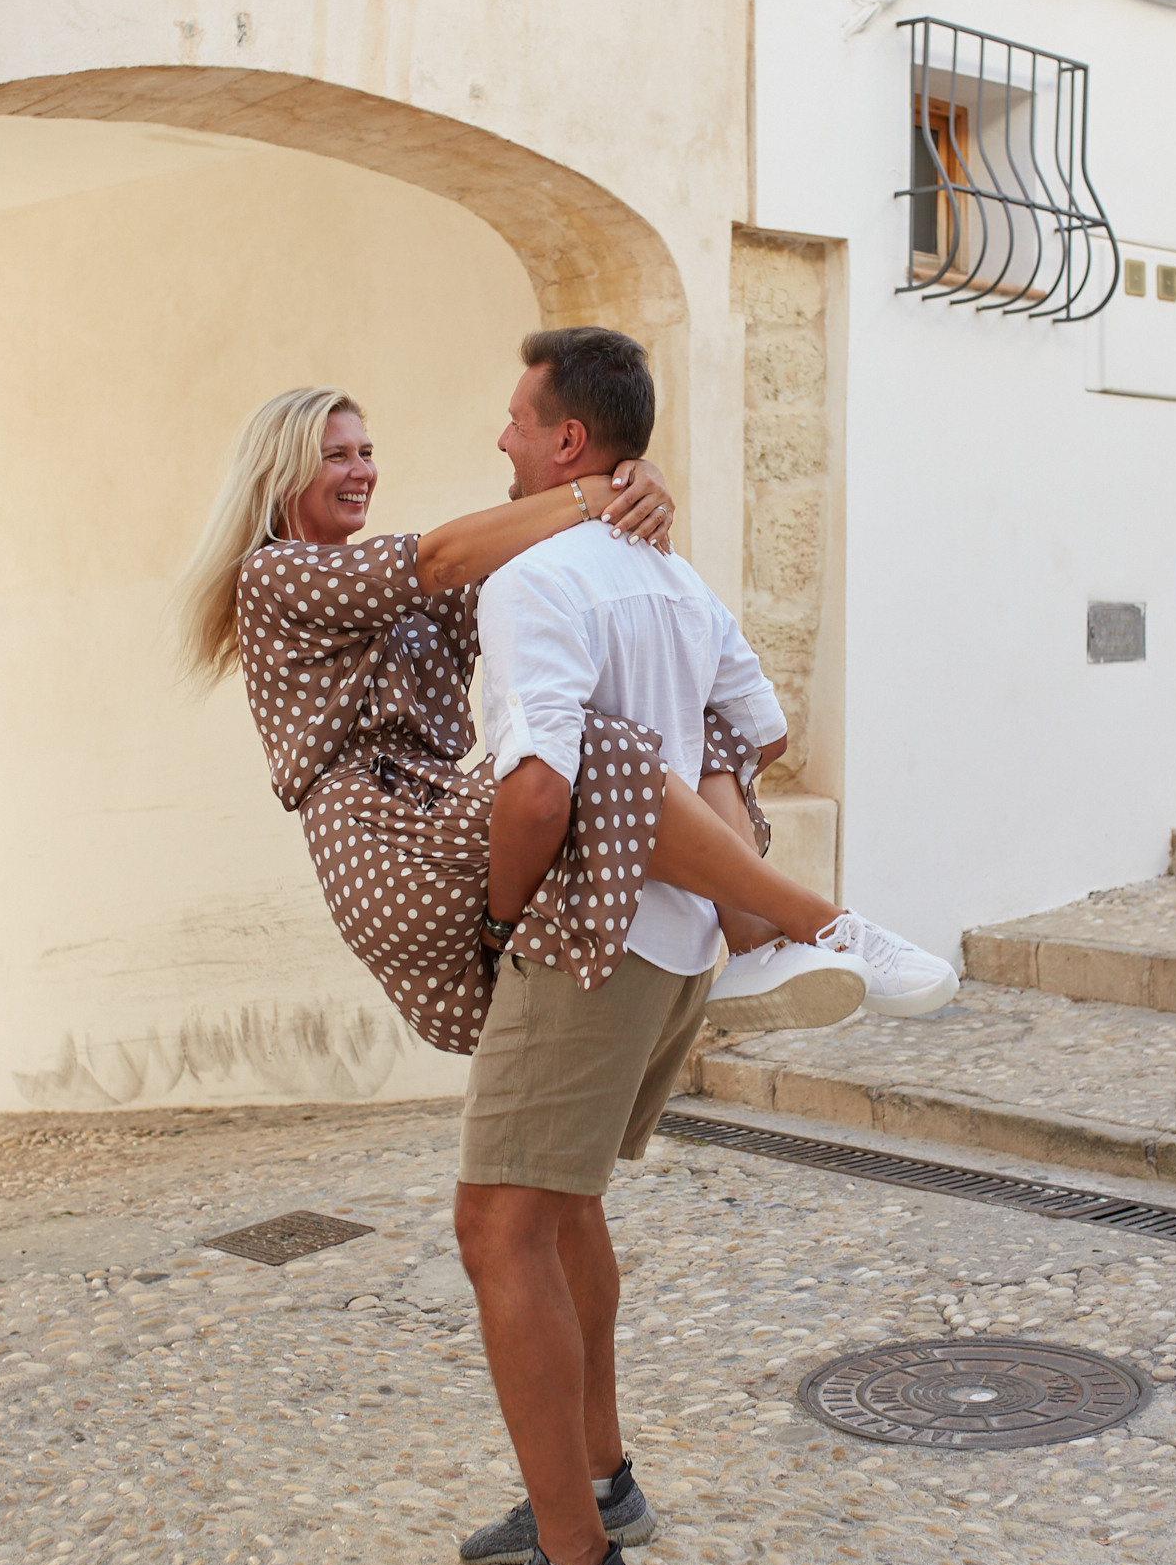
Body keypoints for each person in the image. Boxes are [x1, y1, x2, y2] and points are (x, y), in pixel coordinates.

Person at [448, 329, 952, 1565]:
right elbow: (760, 727)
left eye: (516, 417)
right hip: (676, 946)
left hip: (588, 941)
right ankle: (597, 1481)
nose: (501, 436)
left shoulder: (533, 580)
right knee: (565, 1209)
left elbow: (537, 786)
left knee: (498, 1223)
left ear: (569, 440)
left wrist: (499, 920)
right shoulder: (672, 574)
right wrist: (694, 780)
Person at [174, 387, 941, 1065]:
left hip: (443, 813)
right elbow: (442, 559)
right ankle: (826, 924)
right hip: (386, 842)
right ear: (283, 473)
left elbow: (518, 551)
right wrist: (596, 491)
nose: (361, 470)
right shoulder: (272, 575)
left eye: (366, 452)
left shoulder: (381, 586)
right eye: (336, 455)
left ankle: (751, 941)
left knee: (701, 718)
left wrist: (639, 480)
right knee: (593, 746)